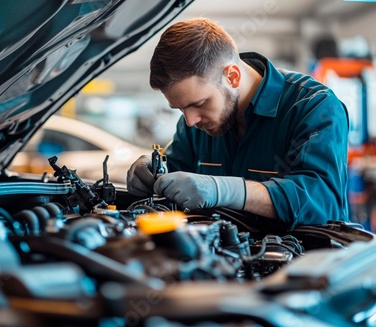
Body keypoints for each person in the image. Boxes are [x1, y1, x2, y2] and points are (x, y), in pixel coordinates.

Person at [126, 18, 349, 230]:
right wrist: (153, 173)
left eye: (200, 103)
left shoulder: (314, 107)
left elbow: (323, 201)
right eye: (181, 109)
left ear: (232, 76)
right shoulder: (197, 122)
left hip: (305, 264)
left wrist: (226, 190)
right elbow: (178, 171)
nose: (190, 121)